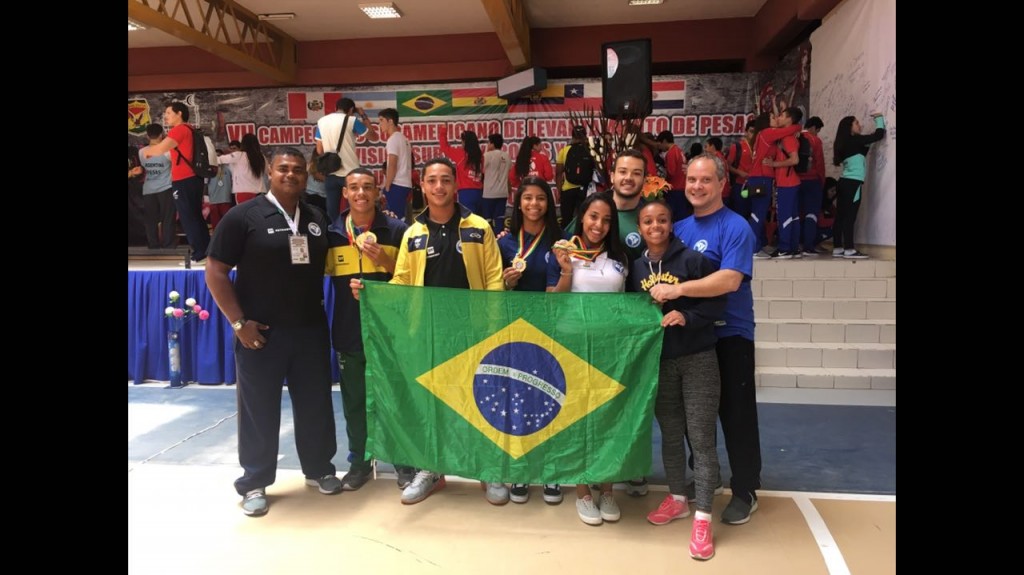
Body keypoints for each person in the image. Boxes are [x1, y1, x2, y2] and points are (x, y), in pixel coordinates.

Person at [351, 157, 507, 506]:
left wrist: (492, 327)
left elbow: (495, 279)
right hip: (429, 334)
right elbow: (403, 281)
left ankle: (487, 467)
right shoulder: (414, 233)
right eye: (432, 181)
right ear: (422, 186)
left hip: (473, 332)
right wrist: (373, 293)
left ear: (456, 185)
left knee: (478, 402)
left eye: (446, 180)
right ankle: (431, 468)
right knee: (431, 403)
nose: (439, 187)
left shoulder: (479, 226)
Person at [205, 147, 341, 517]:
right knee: (258, 410)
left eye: (298, 170)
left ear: (306, 174)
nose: (291, 175)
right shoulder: (242, 216)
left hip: (310, 331)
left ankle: (319, 470)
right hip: (260, 334)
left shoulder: (315, 216)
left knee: (316, 405)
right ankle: (254, 482)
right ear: (269, 171)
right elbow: (215, 271)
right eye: (283, 169)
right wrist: (238, 324)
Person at [658, 154, 762, 526]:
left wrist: (678, 290)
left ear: (721, 185)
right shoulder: (679, 228)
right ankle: (708, 477)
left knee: (736, 415)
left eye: (705, 180)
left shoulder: (736, 227)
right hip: (691, 336)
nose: (697, 187)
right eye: (691, 180)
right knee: (692, 418)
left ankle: (746, 489)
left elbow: (730, 280)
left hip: (730, 334)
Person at [631, 199, 725, 561]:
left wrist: (686, 317)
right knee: (670, 433)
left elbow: (716, 303)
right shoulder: (636, 267)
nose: (655, 226)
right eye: (648, 221)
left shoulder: (692, 261)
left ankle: (702, 517)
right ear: (639, 228)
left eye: (662, 220)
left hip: (698, 358)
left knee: (701, 438)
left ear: (671, 224)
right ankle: (677, 498)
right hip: (660, 363)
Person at [548, 192, 630, 526]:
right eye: (593, 216)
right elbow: (553, 301)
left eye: (606, 219)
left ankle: (607, 487)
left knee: (609, 417)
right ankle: (582, 489)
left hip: (610, 348)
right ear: (582, 217)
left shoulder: (620, 257)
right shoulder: (564, 251)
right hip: (573, 347)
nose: (599, 225)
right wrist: (567, 270)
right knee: (579, 418)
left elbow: (628, 303)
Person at [326, 168, 410, 491]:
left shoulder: (397, 231)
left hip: (390, 333)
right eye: (354, 188)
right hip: (349, 331)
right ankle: (360, 462)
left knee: (395, 399)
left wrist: (385, 264)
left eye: (368, 187)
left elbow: (411, 279)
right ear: (345, 193)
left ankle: (403, 460)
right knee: (355, 403)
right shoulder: (333, 233)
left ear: (378, 192)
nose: (361, 193)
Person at [497, 176, 565, 505]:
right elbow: (493, 290)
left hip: (550, 331)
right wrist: (506, 284)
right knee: (519, 400)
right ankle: (521, 469)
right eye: (528, 198)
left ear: (548, 204)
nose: (534, 204)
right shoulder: (505, 242)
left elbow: (560, 292)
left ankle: (550, 470)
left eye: (540, 198)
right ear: (518, 202)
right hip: (514, 331)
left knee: (549, 401)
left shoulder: (559, 242)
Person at [142, 102, 210, 265]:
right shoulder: (190, 129)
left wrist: (146, 151)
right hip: (194, 178)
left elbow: (158, 150)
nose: (165, 116)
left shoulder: (179, 130)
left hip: (184, 179)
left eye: (168, 113)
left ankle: (199, 255)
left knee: (188, 217)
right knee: (195, 216)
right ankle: (207, 252)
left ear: (179, 113)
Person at [745, 111, 800, 258]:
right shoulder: (767, 133)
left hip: (758, 178)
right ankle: (752, 249)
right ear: (766, 121)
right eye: (773, 117)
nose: (776, 118)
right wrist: (798, 126)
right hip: (761, 179)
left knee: (758, 213)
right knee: (758, 214)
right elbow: (789, 129)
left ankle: (755, 246)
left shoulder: (763, 135)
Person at [832, 113, 886, 259]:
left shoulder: (845, 142)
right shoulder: (856, 141)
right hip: (853, 184)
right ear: (850, 127)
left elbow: (863, 148)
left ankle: (837, 247)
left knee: (841, 216)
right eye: (857, 123)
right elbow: (879, 135)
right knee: (850, 216)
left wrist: (866, 141)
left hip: (843, 183)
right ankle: (849, 249)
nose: (860, 125)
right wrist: (879, 118)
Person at [315, 97, 372, 219]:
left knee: (332, 212)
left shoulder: (322, 121)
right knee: (353, 210)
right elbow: (372, 136)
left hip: (331, 172)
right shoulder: (352, 120)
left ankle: (334, 235)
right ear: (351, 109)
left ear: (336, 108)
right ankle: (351, 236)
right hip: (350, 174)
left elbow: (319, 150)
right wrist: (363, 115)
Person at [762, 107, 803, 259]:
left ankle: (785, 248)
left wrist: (773, 165)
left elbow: (795, 159)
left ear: (789, 120)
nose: (778, 117)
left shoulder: (788, 138)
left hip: (787, 183)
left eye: (782, 115)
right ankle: (793, 247)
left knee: (784, 215)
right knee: (793, 216)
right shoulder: (787, 136)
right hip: (790, 182)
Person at [138, 124, 177, 249]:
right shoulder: (167, 151)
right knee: (167, 218)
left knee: (150, 219)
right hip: (166, 187)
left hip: (148, 189)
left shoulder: (141, 152)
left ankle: (153, 244)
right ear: (161, 135)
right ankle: (168, 244)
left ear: (147, 135)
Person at [438, 126, 484, 215]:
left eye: (462, 141)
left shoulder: (461, 155)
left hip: (466, 193)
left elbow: (444, 147)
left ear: (465, 142)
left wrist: (443, 129)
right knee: (478, 222)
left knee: (467, 222)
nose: (461, 144)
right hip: (479, 193)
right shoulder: (481, 157)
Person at [378, 108, 413, 220]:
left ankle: (399, 237)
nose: (380, 124)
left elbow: (392, 164)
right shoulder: (404, 139)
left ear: (391, 121)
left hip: (397, 184)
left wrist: (387, 186)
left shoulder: (393, 139)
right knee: (401, 216)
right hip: (405, 183)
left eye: (381, 120)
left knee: (394, 218)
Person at [798, 117, 826, 256]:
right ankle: (808, 246)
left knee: (796, 214)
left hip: (795, 182)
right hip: (812, 181)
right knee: (811, 214)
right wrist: (822, 181)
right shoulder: (815, 141)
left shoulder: (795, 137)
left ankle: (795, 244)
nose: (817, 133)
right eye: (818, 130)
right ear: (814, 127)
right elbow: (819, 163)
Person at [555, 126, 592, 230]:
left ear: (572, 136)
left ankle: (565, 242)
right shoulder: (591, 150)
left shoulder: (564, 150)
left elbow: (558, 173)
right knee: (584, 219)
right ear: (585, 136)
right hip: (585, 190)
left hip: (568, 190)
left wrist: (559, 191)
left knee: (566, 219)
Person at [218, 133, 266, 204]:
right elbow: (267, 173)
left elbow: (218, 160)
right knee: (258, 215)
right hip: (260, 193)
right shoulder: (262, 158)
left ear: (243, 144)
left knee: (244, 214)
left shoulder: (239, 155)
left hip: (243, 192)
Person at [481, 133, 512, 232]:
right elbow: (508, 173)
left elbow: (481, 169)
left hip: (489, 193)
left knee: (487, 219)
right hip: (503, 193)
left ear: (492, 144)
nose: (487, 145)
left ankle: (489, 241)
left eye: (488, 143)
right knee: (500, 218)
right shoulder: (507, 156)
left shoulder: (487, 155)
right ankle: (500, 240)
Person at [656, 131, 689, 220]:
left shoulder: (671, 153)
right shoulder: (679, 151)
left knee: (672, 216)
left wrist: (662, 183)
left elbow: (671, 172)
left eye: (659, 144)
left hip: (674, 189)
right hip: (683, 187)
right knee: (682, 215)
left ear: (665, 141)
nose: (659, 147)